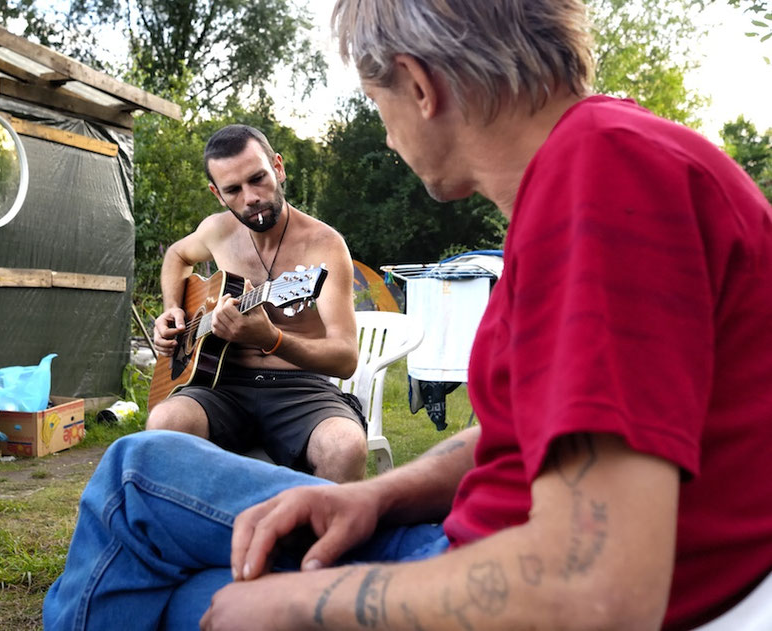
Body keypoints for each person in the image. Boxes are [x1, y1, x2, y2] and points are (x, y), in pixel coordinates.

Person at [44, 1, 772, 629]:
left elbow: (599, 592)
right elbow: (532, 431)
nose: (387, 137)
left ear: (419, 85)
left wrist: (310, 602)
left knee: (138, 481)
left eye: (375, 102)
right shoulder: (609, 159)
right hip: (487, 535)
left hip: (502, 563)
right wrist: (382, 493)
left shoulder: (601, 182)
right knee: (184, 592)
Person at [144, 124, 368, 483]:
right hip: (221, 385)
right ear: (217, 194)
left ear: (278, 168)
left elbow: (345, 358)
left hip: (302, 389)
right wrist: (173, 308)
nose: (251, 198)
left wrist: (272, 339)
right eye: (233, 189)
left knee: (345, 446)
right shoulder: (217, 231)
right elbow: (175, 255)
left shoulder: (323, 245)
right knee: (164, 422)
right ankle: (194, 534)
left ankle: (325, 539)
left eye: (258, 178)